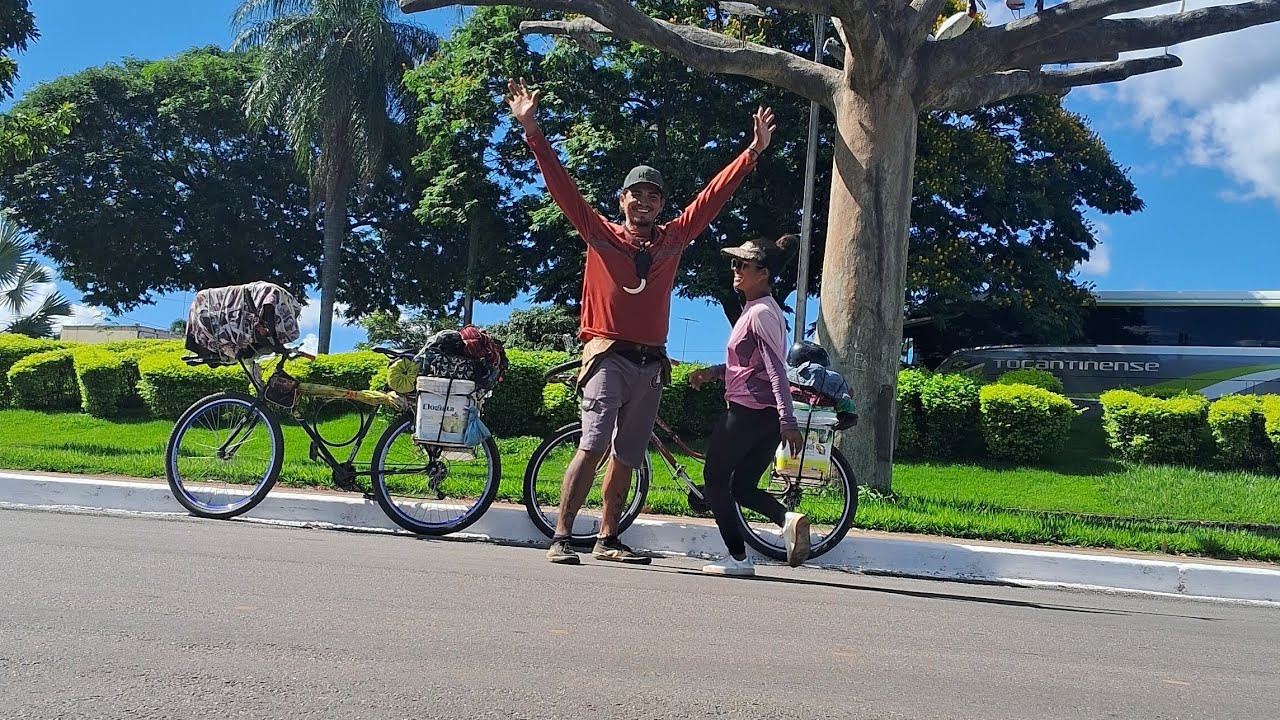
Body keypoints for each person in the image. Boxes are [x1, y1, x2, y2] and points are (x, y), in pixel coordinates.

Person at [504, 77, 776, 565]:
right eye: (637, 194)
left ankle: (608, 538)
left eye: (653, 196)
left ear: (661, 205)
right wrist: (532, 128)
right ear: (621, 200)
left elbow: (711, 199)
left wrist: (752, 153)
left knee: (628, 455)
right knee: (591, 443)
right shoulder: (599, 233)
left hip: (650, 365)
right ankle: (562, 536)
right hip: (607, 354)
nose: (645, 202)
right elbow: (561, 186)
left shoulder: (672, 240)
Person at [688, 235, 811, 576]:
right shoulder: (761, 311)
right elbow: (751, 364)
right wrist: (714, 372)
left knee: (714, 480)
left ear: (764, 273)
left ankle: (739, 559)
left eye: (744, 264)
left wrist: (788, 420)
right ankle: (788, 519)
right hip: (765, 418)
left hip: (749, 413)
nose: (736, 270)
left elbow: (775, 369)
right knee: (741, 486)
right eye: (734, 263)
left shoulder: (759, 314)